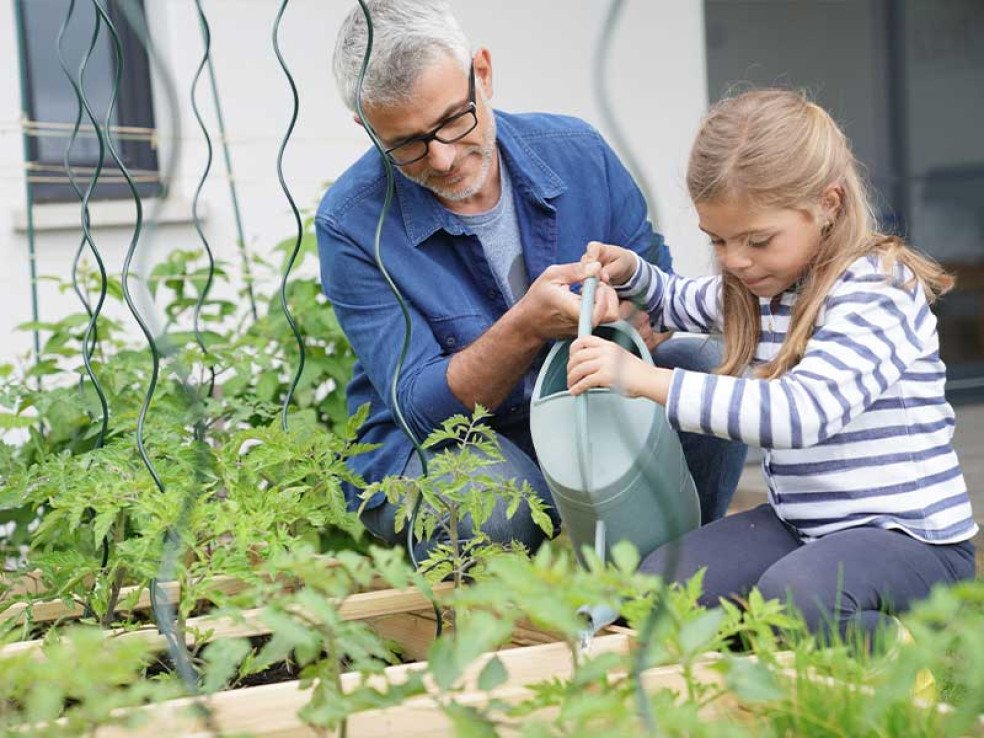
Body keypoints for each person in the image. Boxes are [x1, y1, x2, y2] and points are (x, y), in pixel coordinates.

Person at [316, 0, 746, 558]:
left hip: (587, 403)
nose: (443, 158)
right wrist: (525, 328)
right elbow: (424, 414)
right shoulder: (351, 222)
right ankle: (487, 626)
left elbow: (659, 294)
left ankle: (673, 574)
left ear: (484, 74)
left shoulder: (576, 152)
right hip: (450, 442)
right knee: (492, 502)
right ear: (367, 129)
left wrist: (624, 313)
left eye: (453, 120)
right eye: (407, 145)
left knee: (708, 370)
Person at [568, 89, 977, 642]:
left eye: (757, 240)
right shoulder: (760, 284)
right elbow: (675, 299)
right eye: (718, 240)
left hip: (909, 542)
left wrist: (644, 379)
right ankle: (780, 652)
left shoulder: (878, 289)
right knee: (656, 594)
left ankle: (910, 650)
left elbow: (799, 414)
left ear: (828, 203)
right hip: (804, 527)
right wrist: (632, 273)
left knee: (796, 599)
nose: (735, 259)